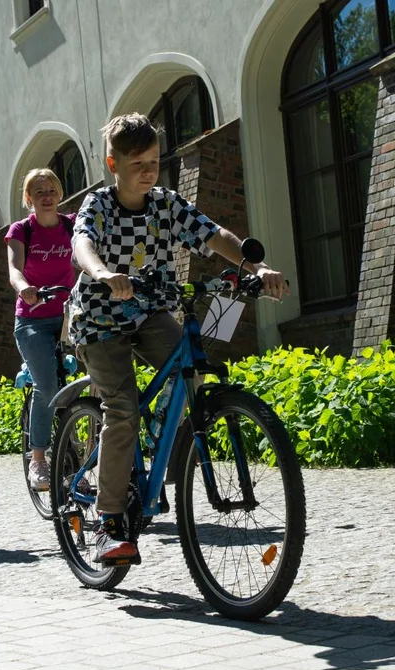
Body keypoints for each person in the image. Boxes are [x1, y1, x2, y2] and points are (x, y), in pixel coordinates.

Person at [69, 113, 288, 563]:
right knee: (122, 409)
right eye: (137, 165)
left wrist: (257, 268)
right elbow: (82, 244)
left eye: (154, 161)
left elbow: (213, 235)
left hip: (149, 312)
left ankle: (156, 440)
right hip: (99, 320)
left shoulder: (166, 204)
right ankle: (109, 522)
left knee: (194, 367)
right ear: (113, 164)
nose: (148, 172)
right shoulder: (100, 205)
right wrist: (104, 273)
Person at [5, 168, 77, 492]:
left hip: (69, 318)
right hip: (33, 319)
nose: (46, 196)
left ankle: (84, 456)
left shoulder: (72, 225)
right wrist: (24, 288)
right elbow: (14, 269)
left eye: (51, 190)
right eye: (38, 192)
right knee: (47, 387)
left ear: (59, 193)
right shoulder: (22, 230)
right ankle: (38, 459)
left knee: (101, 380)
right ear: (29, 198)